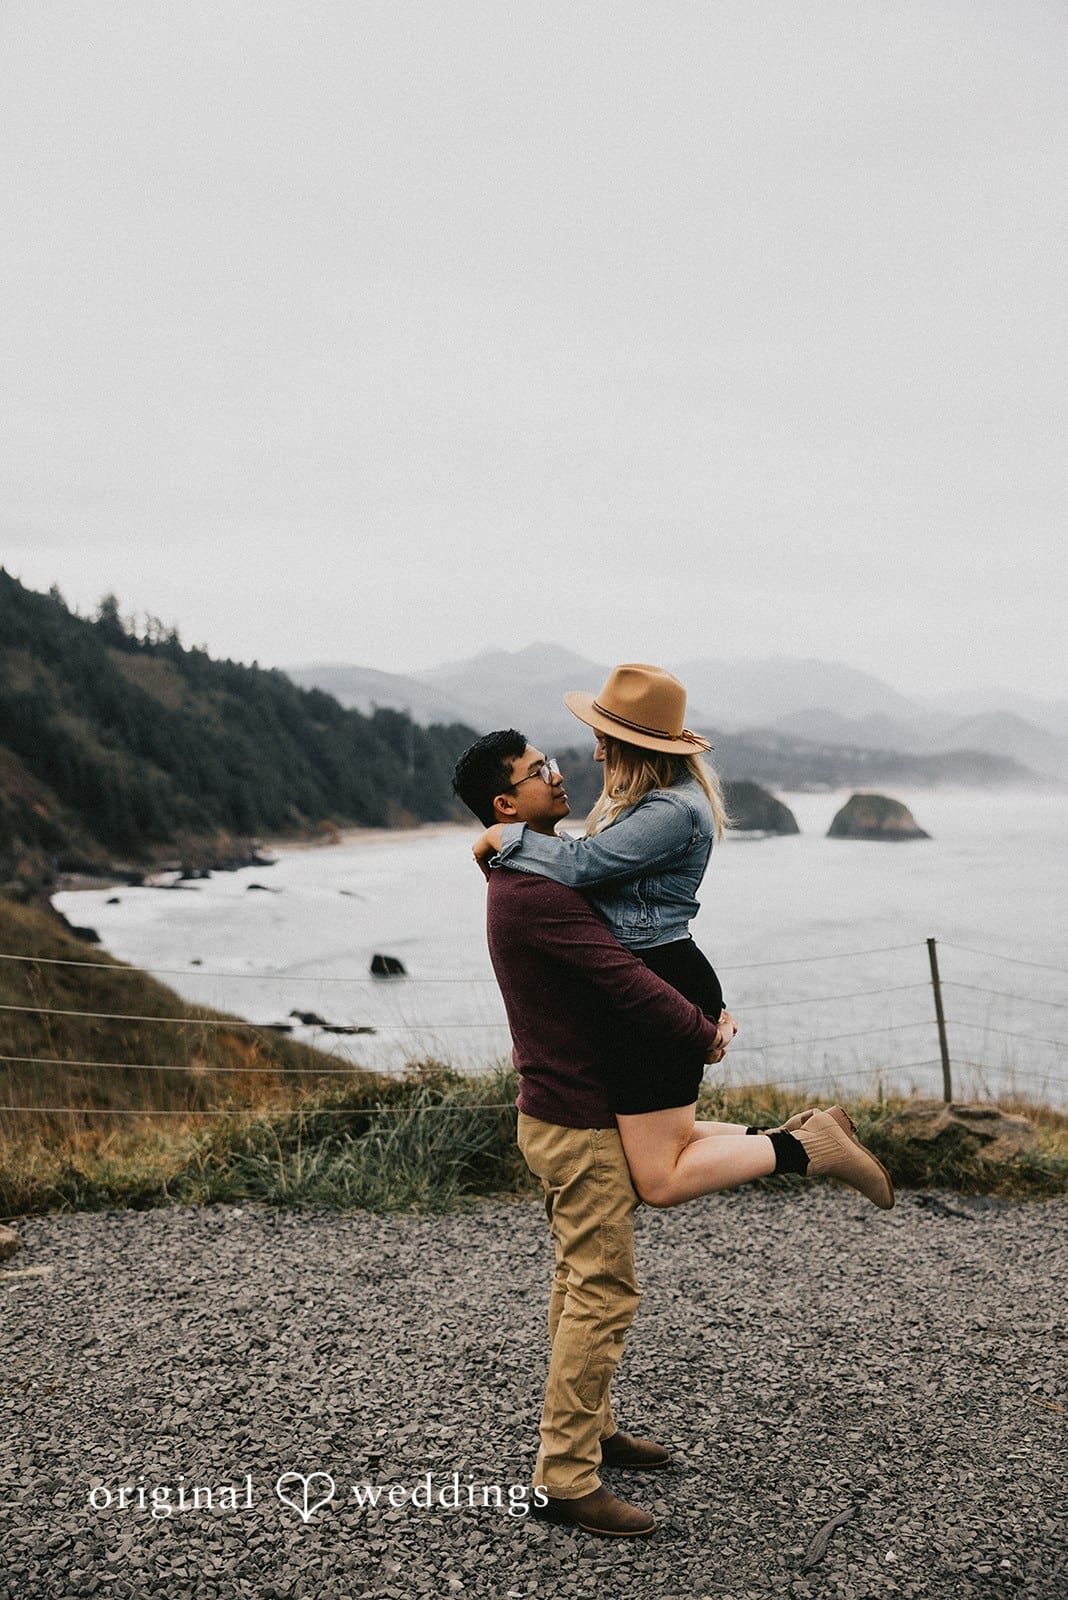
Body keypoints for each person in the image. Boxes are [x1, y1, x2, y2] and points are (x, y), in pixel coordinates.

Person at [469, 665, 895, 1212]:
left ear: (632, 745)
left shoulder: (672, 809)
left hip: (658, 976)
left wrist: (504, 837)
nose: (596, 755)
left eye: (604, 742)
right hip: (661, 974)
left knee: (659, 1180)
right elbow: (593, 875)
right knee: (663, 1141)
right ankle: (801, 1139)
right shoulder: (653, 800)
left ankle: (808, 1149)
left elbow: (582, 865)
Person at [453, 729, 728, 1538]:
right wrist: (703, 1031)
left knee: (579, 1282)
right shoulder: (537, 891)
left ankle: (594, 1431)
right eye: (537, 771)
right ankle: (565, 1477)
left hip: (561, 1109)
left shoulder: (529, 868)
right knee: (603, 1292)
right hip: (575, 1118)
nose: (558, 773)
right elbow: (624, 979)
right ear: (506, 803)